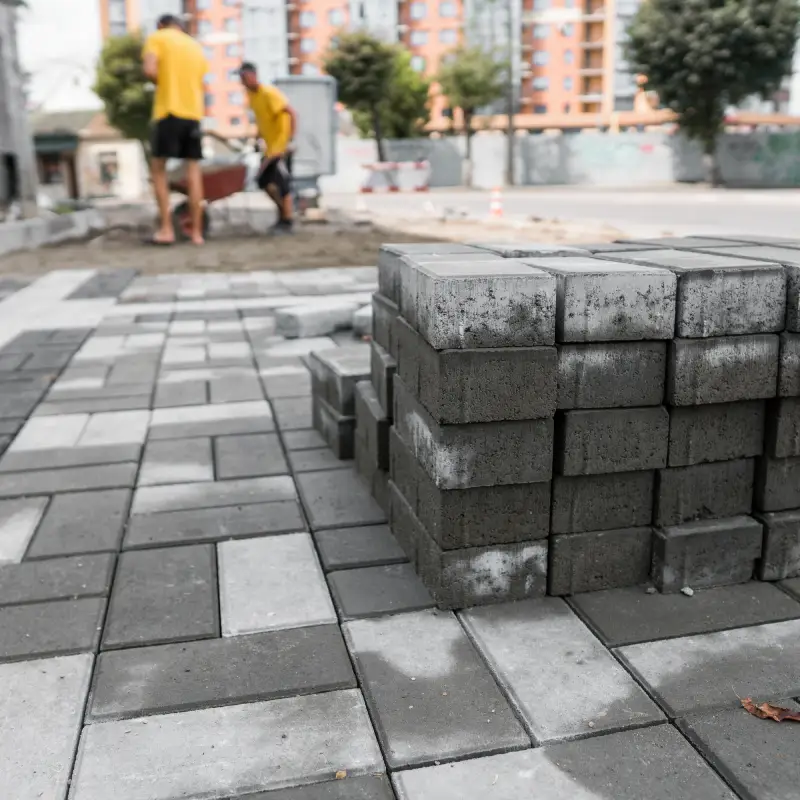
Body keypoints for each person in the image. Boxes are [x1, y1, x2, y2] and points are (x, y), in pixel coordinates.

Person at [142, 14, 209, 245]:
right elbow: (200, 79)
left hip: (169, 110)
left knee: (158, 169)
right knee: (193, 172)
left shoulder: (158, 38)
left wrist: (164, 83)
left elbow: (150, 70)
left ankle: (166, 229)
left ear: (161, 25)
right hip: (193, 115)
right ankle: (198, 234)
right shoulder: (194, 46)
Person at [239, 62, 297, 234]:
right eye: (241, 78)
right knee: (263, 181)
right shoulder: (252, 96)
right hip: (270, 148)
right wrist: (257, 138)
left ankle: (287, 221)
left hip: (281, 147)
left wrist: (290, 140)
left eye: (244, 77)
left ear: (253, 75)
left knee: (282, 183)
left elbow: (292, 113)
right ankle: (283, 215)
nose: (242, 81)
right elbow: (262, 120)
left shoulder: (269, 93)